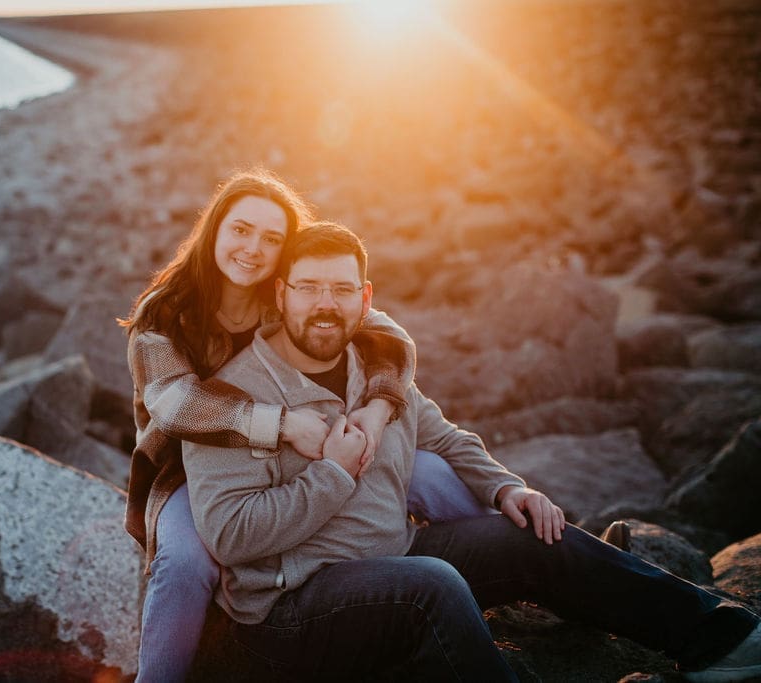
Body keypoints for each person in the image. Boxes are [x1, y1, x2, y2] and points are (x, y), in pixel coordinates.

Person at [182, 220, 761, 682]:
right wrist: (331, 474)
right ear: (280, 294)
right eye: (307, 288)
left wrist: (508, 488)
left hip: (397, 555)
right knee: (431, 586)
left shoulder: (375, 369)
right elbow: (229, 535)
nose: (324, 304)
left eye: (339, 289)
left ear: (365, 297)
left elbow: (445, 436)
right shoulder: (232, 396)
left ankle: (720, 638)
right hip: (294, 612)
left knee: (531, 534)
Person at [120, 170, 502, 682]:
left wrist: (381, 402)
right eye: (240, 230)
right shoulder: (163, 317)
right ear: (214, 229)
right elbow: (176, 405)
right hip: (190, 472)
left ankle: (523, 551)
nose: (252, 248)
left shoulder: (283, 294)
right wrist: (280, 424)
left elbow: (388, 337)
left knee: (428, 470)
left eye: (272, 238)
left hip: (297, 447)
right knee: (187, 561)